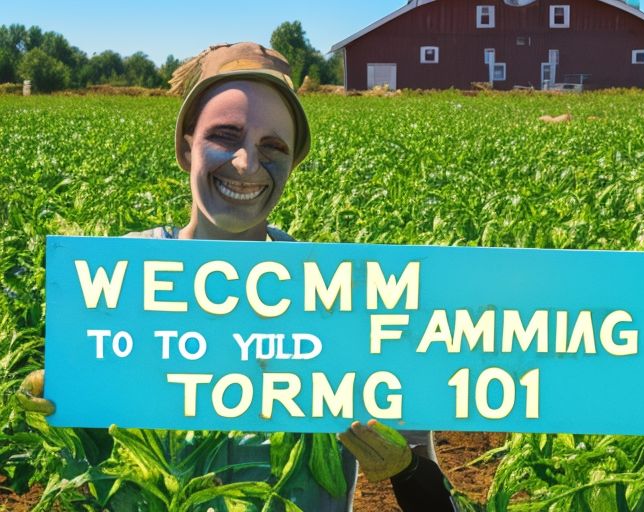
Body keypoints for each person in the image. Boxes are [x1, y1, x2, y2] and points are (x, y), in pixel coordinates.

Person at [17, 42, 456, 511]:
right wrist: (58, 420)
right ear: (188, 146)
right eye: (225, 136)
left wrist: (407, 471)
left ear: (292, 163)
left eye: (273, 146)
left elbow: (435, 504)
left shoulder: (344, 299)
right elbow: (86, 477)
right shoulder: (117, 285)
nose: (247, 164)